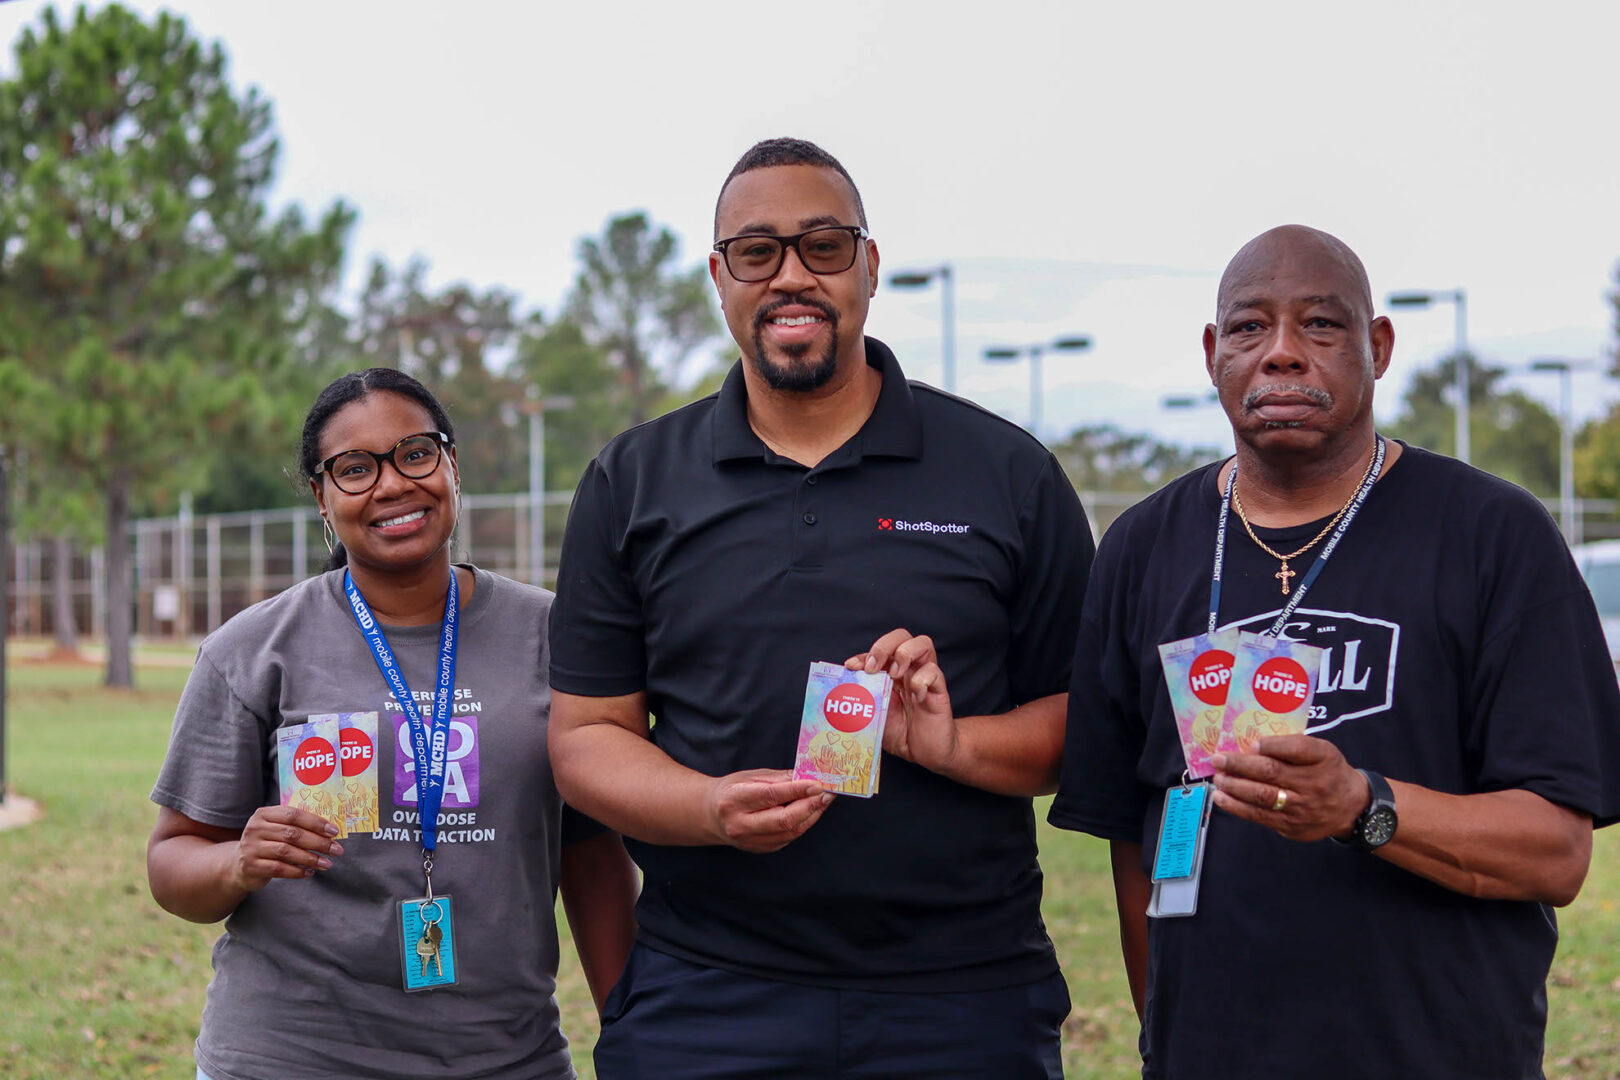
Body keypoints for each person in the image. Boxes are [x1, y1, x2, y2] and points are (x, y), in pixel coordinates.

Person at [548, 137, 1093, 1078]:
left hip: (962, 999)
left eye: (824, 247)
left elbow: (1082, 727)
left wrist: (949, 744)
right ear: (719, 279)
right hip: (708, 994)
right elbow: (585, 738)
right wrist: (710, 806)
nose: (791, 275)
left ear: (870, 267)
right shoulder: (634, 480)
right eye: (757, 253)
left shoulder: (1007, 474)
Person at [1049, 224, 1620, 1078]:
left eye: (1320, 325)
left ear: (1377, 346)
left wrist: (1362, 805)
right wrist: (1164, 1039)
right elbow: (1134, 840)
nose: (1281, 354)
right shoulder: (1141, 548)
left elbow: (1556, 850)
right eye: (1249, 328)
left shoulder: (1493, 535)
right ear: (1212, 353)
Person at [147, 368, 638, 1080]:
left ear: (451, 464)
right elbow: (171, 862)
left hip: (505, 1056)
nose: (393, 484)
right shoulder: (253, 650)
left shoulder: (554, 635)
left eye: (415, 453)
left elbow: (591, 851)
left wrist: (623, 1028)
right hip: (290, 1057)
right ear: (321, 495)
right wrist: (238, 862)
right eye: (355, 469)